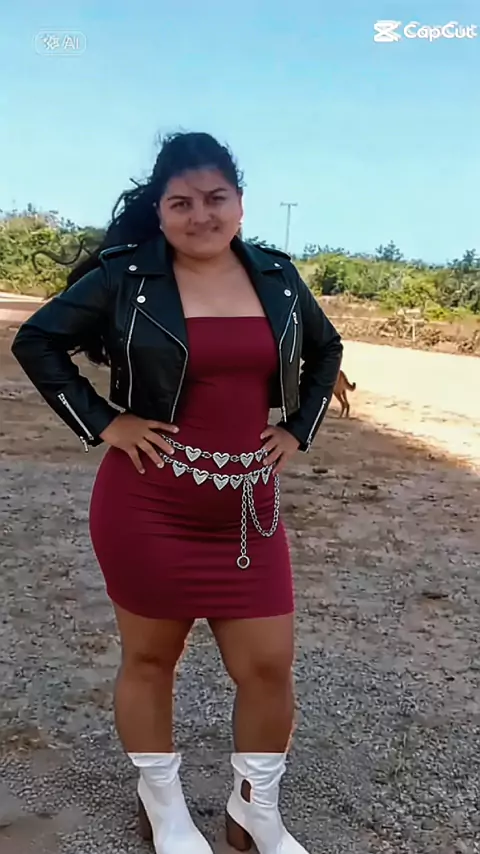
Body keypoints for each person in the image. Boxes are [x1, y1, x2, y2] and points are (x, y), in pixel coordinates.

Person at [11, 131, 343, 854]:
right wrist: (105, 422)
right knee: (151, 661)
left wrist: (299, 429)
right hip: (148, 505)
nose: (201, 215)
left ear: (240, 203)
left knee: (268, 666)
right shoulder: (125, 278)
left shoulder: (278, 278)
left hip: (249, 513)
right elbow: (36, 341)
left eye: (215, 198)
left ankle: (256, 810)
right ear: (159, 211)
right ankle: (162, 806)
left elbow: (328, 349)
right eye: (182, 203)